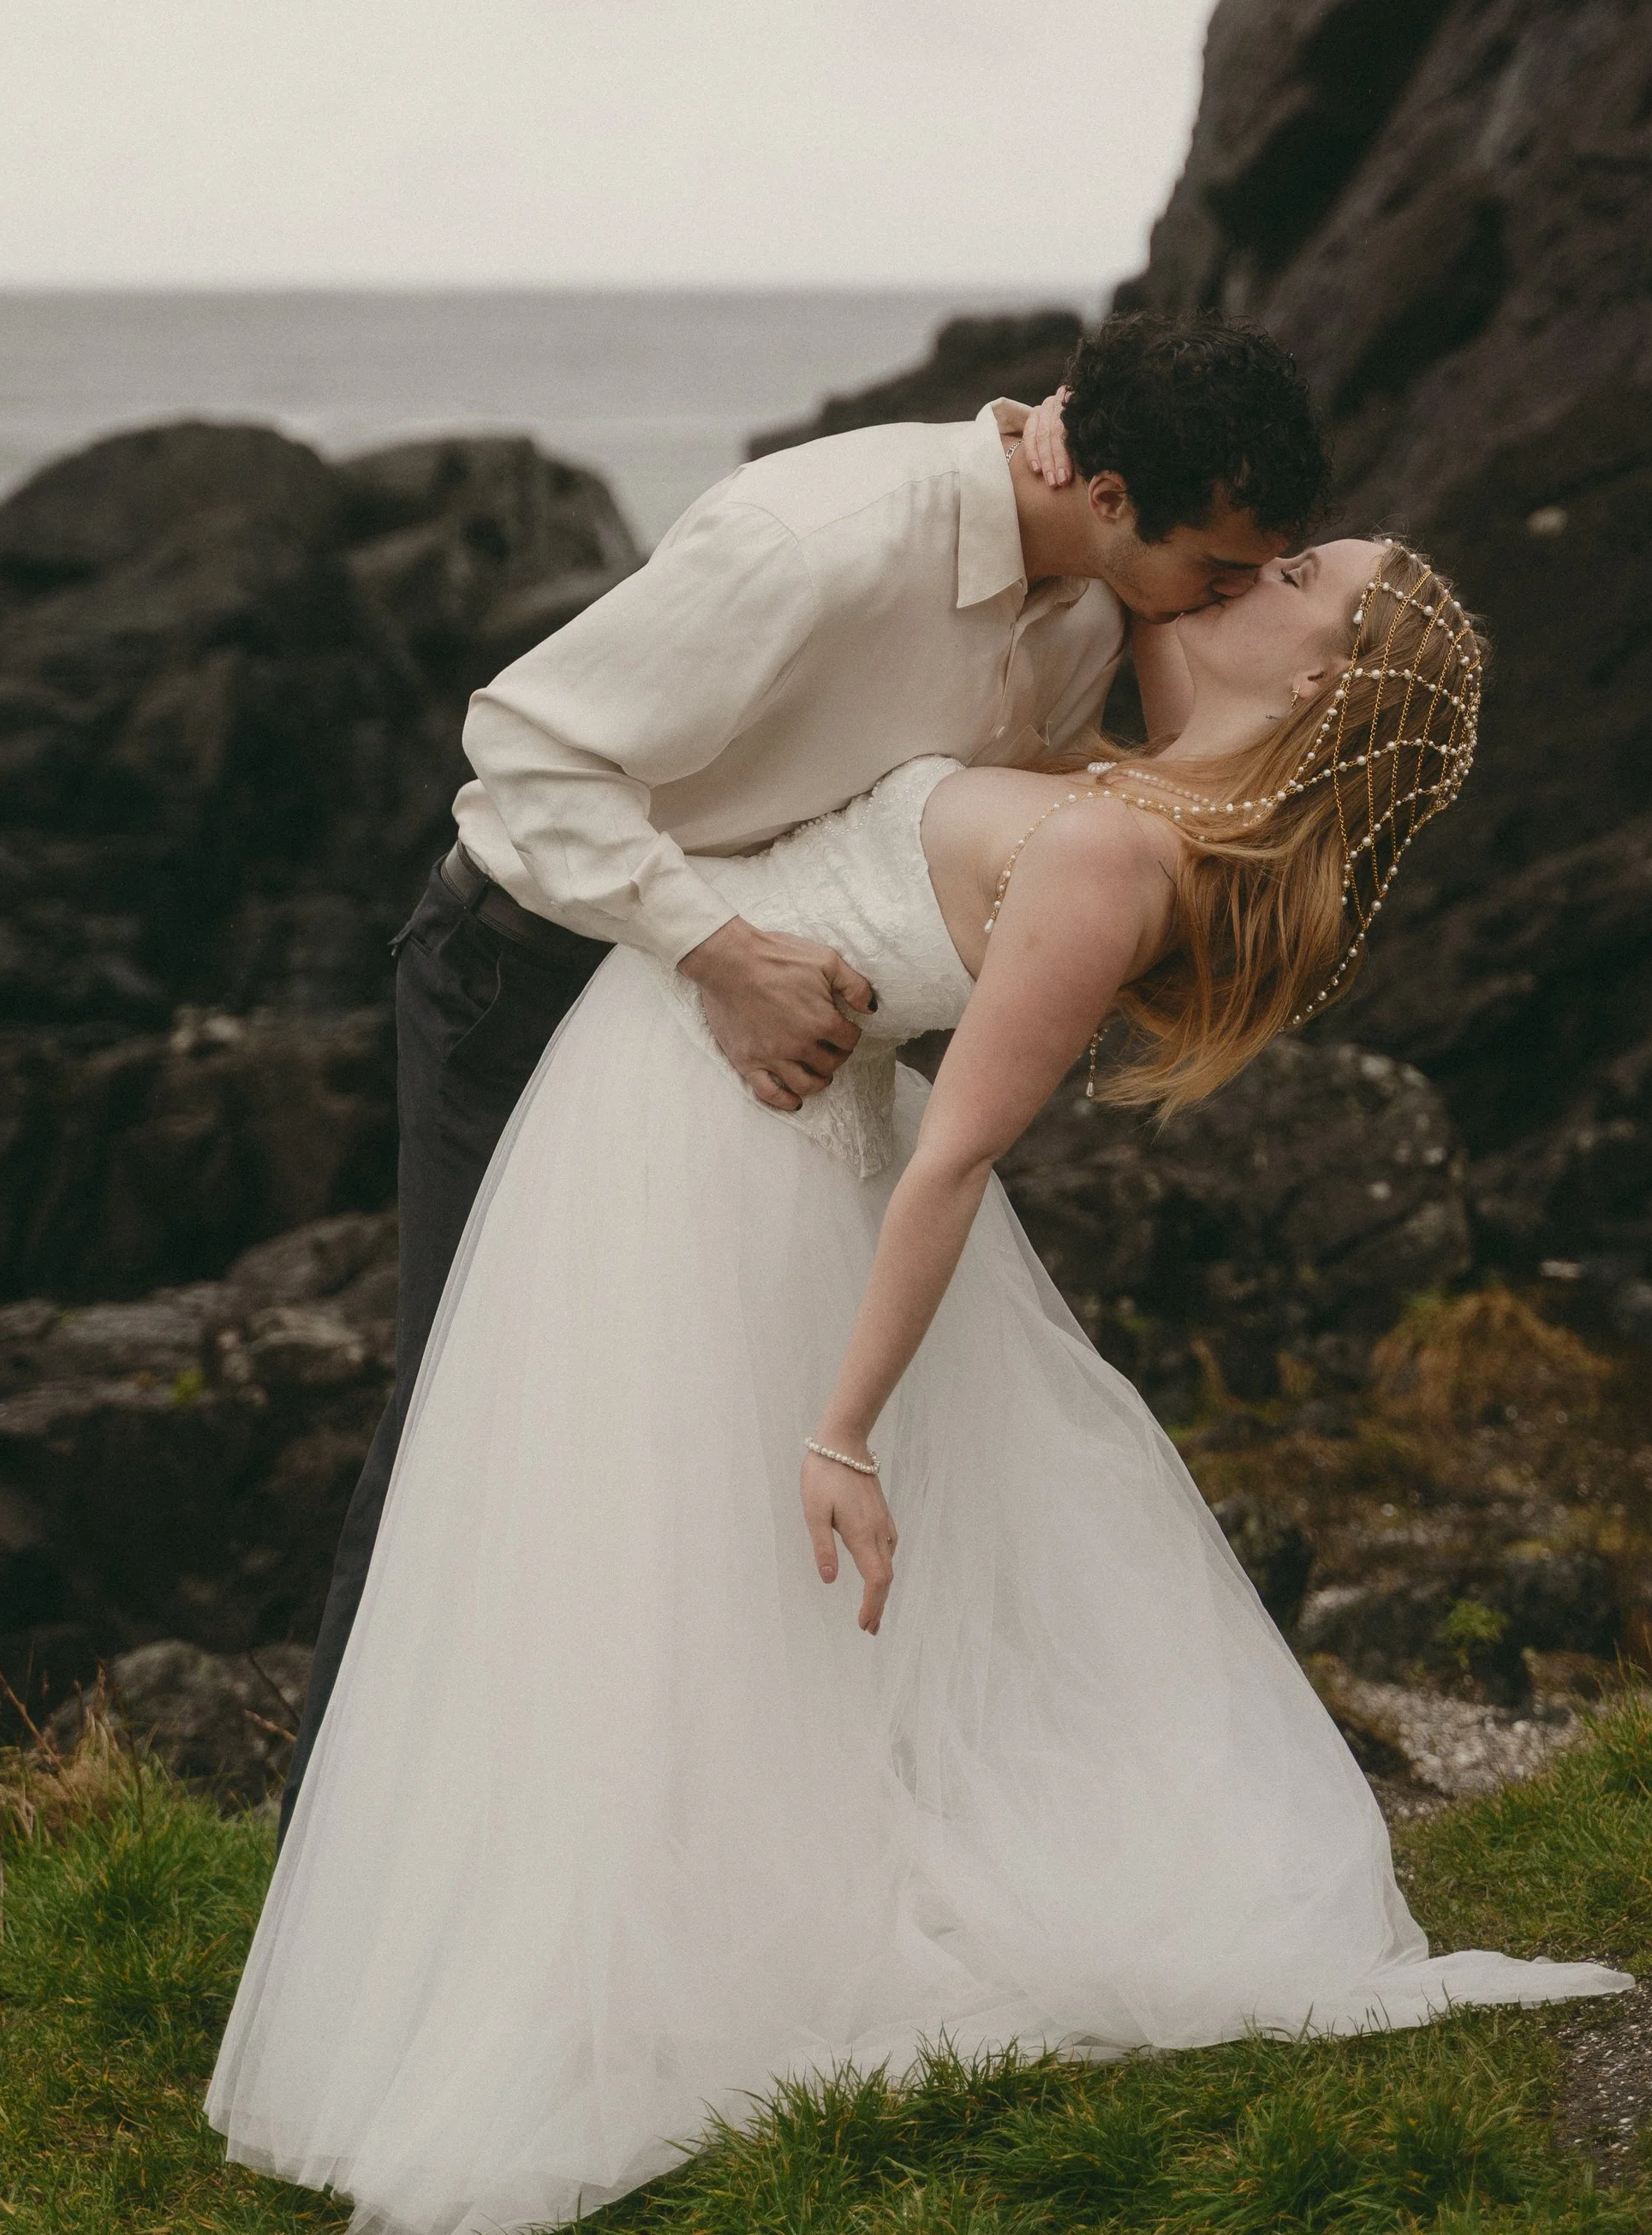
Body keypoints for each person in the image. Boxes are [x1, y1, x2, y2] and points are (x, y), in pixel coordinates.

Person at [210, 499, 1630, 2235]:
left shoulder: (1118, 857)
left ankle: (604, 1983)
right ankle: (560, 1939)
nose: (1256, 569)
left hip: (714, 1158)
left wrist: (841, 1428)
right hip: (684, 1113)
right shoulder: (1105, 785)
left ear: (1329, 670)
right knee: (618, 1569)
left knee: (635, 1565)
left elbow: (953, 1159)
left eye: (1297, 579)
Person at [279, 314, 1331, 1818]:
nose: (1221, 601)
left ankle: (661, 1825)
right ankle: (347, 1852)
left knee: (676, 1427)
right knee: (465, 1414)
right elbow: (521, 750)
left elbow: (991, 788)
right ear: (1107, 496)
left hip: (759, 1036)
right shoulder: (816, 543)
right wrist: (717, 950)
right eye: (1218, 570)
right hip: (533, 962)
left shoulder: (1098, 598)